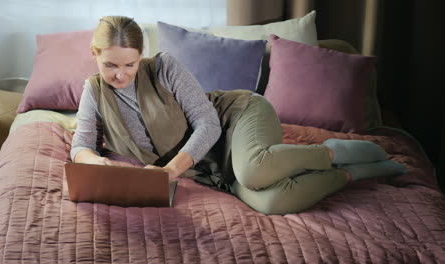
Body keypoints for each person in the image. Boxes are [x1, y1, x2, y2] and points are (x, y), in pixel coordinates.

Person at [71, 16, 407, 215]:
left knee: (254, 168)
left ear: (140, 55)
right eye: (110, 65)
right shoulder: (94, 92)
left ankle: (337, 151)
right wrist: (98, 164)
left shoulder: (164, 67)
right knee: (271, 201)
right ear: (94, 55)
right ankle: (354, 172)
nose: (121, 74)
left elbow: (208, 122)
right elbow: (80, 147)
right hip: (209, 167)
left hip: (237, 117)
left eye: (129, 64)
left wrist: (169, 171)